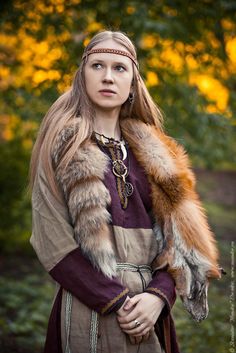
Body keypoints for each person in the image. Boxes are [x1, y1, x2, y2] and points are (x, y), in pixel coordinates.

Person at [29, 30, 222, 353]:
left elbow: (180, 245)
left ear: (133, 82)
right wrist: (116, 300)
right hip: (86, 306)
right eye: (97, 66)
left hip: (150, 312)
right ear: (82, 76)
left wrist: (158, 297)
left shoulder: (159, 156)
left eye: (119, 68)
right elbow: (52, 242)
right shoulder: (61, 146)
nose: (107, 77)